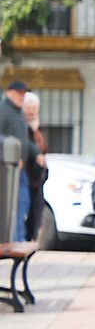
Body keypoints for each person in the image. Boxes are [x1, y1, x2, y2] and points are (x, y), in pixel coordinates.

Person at [1, 81, 42, 242]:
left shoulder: (19, 113)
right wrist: (11, 155)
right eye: (19, 93)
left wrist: (36, 153)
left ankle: (19, 239)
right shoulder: (3, 110)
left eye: (24, 93)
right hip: (7, 168)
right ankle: (11, 240)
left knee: (22, 205)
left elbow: (24, 140)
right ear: (10, 92)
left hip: (21, 169)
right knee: (12, 207)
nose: (22, 96)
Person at [20, 92, 48, 243]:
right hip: (27, 177)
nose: (31, 112)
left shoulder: (39, 128)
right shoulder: (22, 128)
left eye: (34, 108)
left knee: (36, 216)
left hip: (38, 180)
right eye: (28, 108)